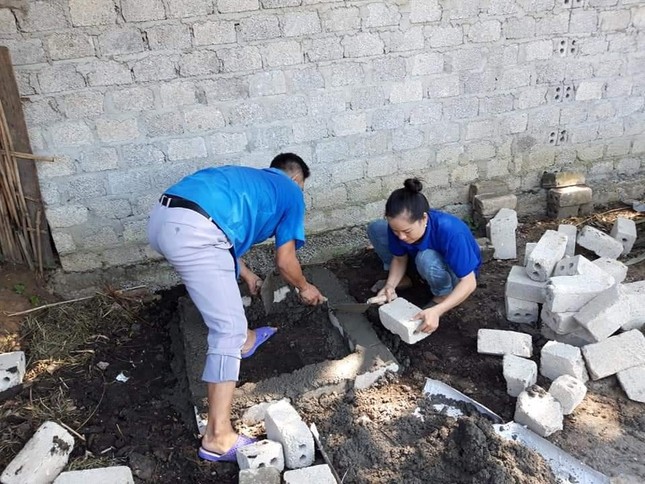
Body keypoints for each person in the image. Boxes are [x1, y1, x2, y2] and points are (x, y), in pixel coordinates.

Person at [147, 153, 325, 463]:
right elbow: (285, 261)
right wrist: (304, 287)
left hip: (164, 218)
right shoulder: (292, 193)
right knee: (225, 329)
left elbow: (220, 231)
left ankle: (246, 340)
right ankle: (217, 437)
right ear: (297, 180)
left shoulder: (251, 181)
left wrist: (246, 274)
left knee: (225, 309)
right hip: (194, 232)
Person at [367, 178, 480, 336]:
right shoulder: (400, 229)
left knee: (426, 258)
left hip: (454, 274)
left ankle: (442, 295)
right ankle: (405, 279)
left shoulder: (451, 231)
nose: (401, 237)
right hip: (422, 263)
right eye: (396, 231)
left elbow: (469, 282)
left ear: (424, 218)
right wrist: (391, 285)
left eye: (407, 231)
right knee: (376, 228)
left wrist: (437, 311)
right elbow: (399, 258)